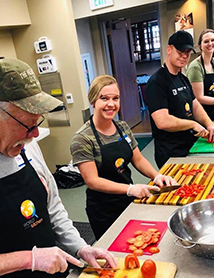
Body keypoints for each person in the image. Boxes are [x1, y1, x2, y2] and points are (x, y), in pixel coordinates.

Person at [0, 58, 117, 278]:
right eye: (28, 125)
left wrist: (80, 247)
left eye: (38, 123)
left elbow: (53, 208)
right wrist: (31, 259)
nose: (36, 134)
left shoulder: (25, 144)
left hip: (56, 277)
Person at [70, 75, 176, 240]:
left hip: (128, 201)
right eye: (104, 98)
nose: (111, 104)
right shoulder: (83, 138)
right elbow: (92, 180)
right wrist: (129, 189)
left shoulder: (122, 127)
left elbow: (138, 159)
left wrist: (157, 176)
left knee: (136, 241)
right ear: (93, 102)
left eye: (115, 98)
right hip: (103, 209)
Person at [145, 31, 214, 169]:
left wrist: (210, 124)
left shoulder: (183, 78)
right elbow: (162, 121)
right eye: (180, 51)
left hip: (190, 147)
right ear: (169, 49)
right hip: (171, 154)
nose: (184, 56)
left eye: (188, 52)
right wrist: (192, 124)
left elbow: (195, 105)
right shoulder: (157, 82)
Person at [186, 29, 214, 120]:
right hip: (201, 115)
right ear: (200, 45)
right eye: (206, 41)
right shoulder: (195, 67)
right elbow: (198, 97)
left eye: (213, 40)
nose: (210, 44)